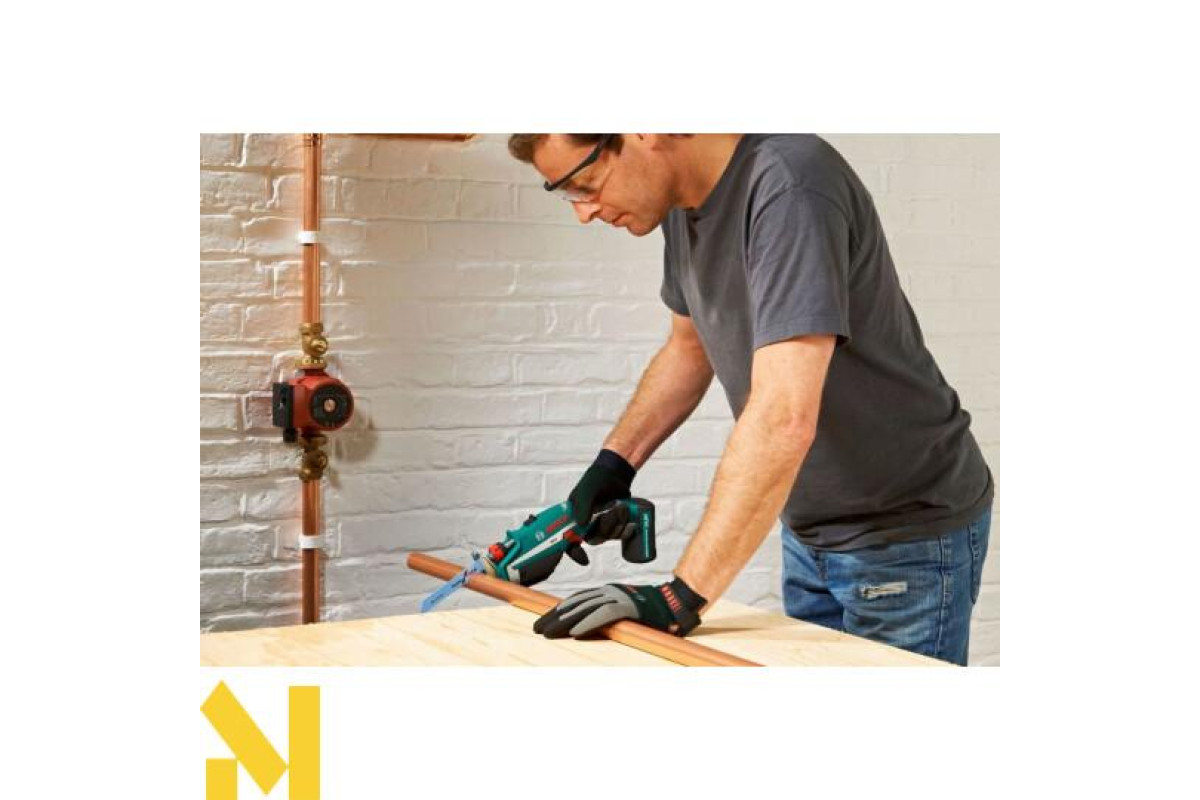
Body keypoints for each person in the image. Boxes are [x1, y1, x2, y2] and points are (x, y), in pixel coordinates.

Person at [505, 134, 993, 665]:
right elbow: (688, 347)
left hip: (903, 535)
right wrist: (613, 467)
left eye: (585, 184)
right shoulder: (681, 202)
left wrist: (680, 597)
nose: (584, 212)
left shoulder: (791, 188)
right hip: (810, 530)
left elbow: (783, 418)